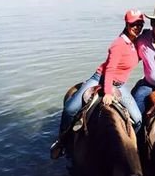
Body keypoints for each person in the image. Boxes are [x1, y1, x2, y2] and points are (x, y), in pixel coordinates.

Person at [50, 9, 145, 159]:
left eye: (140, 24)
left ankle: (133, 151)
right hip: (101, 78)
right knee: (70, 108)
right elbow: (110, 69)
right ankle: (62, 142)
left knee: (138, 119)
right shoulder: (118, 44)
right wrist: (107, 92)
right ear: (127, 24)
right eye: (134, 24)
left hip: (119, 85)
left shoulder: (137, 42)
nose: (137, 27)